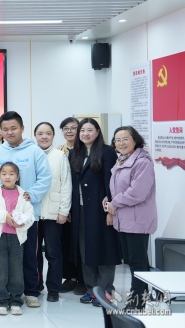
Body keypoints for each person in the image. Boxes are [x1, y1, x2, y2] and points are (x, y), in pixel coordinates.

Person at [0, 111, 51, 308]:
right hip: (2, 218)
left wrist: (31, 194)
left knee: (29, 256)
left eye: (13, 128)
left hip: (27, 216)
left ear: (22, 128)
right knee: (3, 261)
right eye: (5, 129)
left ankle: (31, 291)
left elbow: (45, 178)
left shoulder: (35, 152)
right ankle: (4, 294)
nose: (9, 132)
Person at [69, 118, 120, 307]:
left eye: (90, 130)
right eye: (82, 130)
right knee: (85, 250)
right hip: (80, 209)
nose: (85, 134)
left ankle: (105, 290)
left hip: (100, 209)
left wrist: (110, 210)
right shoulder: (74, 153)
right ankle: (91, 290)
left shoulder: (107, 152)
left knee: (104, 249)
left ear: (98, 132)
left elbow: (111, 182)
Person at [107, 126, 157, 310]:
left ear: (135, 140)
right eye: (117, 140)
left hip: (137, 220)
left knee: (137, 262)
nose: (121, 143)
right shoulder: (121, 160)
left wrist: (114, 202)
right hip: (124, 220)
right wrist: (109, 200)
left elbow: (137, 193)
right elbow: (118, 187)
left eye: (125, 139)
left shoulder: (142, 162)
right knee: (133, 260)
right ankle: (142, 297)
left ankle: (136, 301)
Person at [0, 162, 35, 316]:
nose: (7, 177)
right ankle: (0, 300)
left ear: (17, 177)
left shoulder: (23, 195)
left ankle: (15, 300)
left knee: (16, 270)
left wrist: (23, 222)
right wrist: (5, 216)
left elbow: (30, 215)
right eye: (4, 174)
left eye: (11, 174)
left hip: (16, 238)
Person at [33, 122, 72, 303]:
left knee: (53, 253)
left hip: (53, 213)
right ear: (35, 136)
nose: (44, 137)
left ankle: (54, 288)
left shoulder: (60, 156)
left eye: (48, 133)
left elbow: (66, 184)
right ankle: (36, 284)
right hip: (33, 213)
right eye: (40, 133)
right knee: (34, 253)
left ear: (53, 136)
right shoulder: (31, 154)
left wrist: (63, 211)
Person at [57, 116, 86, 295]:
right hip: (63, 204)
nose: (69, 131)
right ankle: (70, 277)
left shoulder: (84, 151)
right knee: (66, 241)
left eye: (73, 128)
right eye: (66, 128)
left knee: (81, 242)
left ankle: (82, 279)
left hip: (80, 203)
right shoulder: (58, 151)